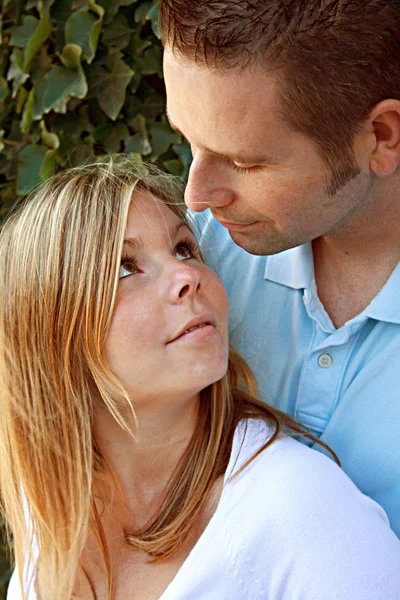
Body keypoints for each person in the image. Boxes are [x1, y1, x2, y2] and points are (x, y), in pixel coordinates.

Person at [1, 157, 400, 600]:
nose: (188, 276)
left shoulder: (300, 507)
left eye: (184, 248)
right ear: (49, 333)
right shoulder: (54, 526)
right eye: (124, 267)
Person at [160, 0, 400, 535]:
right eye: (187, 140)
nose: (196, 197)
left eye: (246, 162)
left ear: (382, 136)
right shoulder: (191, 258)